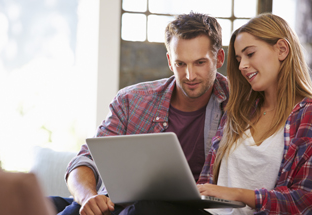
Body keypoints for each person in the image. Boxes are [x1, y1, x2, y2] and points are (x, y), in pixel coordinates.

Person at [50, 11, 228, 215]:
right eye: (181, 64)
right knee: (50, 205)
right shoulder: (131, 100)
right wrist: (88, 197)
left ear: (219, 58)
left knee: (145, 208)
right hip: (118, 204)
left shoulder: (237, 104)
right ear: (170, 61)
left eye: (200, 62)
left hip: (177, 210)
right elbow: (86, 160)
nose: (189, 75)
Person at [195, 13, 312, 215]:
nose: (242, 65)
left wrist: (237, 194)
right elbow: (207, 182)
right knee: (145, 205)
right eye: (238, 59)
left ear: (282, 49)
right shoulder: (238, 111)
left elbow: (303, 200)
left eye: (250, 54)